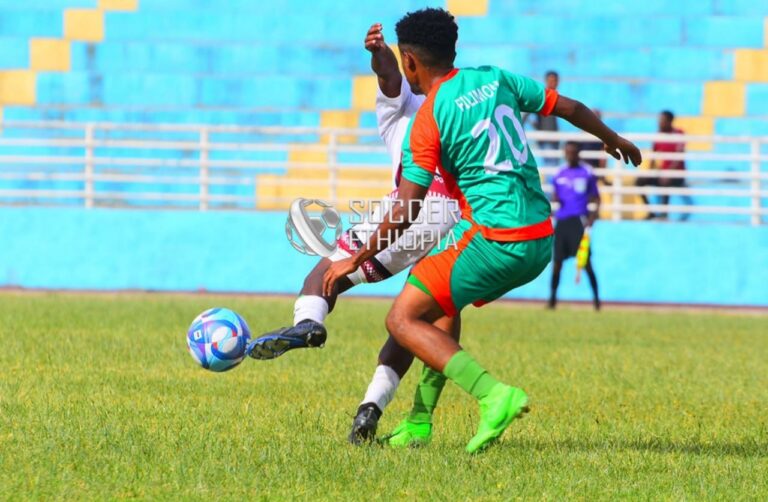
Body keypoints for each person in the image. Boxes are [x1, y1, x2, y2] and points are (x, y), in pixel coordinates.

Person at [323, 8, 641, 453]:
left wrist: (355, 259)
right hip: (539, 238)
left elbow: (406, 209)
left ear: (409, 61)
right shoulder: (495, 78)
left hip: (497, 240)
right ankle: (418, 422)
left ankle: (494, 396)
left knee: (401, 318)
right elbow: (568, 107)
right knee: (441, 304)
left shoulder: (429, 118)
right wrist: (613, 139)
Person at [246, 23, 462, 446]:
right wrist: (382, 56)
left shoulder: (403, 109)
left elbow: (389, 76)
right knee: (412, 321)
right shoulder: (460, 101)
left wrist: (379, 54)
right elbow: (390, 73)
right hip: (457, 221)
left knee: (323, 274)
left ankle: (308, 324)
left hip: (411, 210)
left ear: (411, 62)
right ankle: (371, 410)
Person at [549, 141, 601, 310]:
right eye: (568, 152)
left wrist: (592, 217)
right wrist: (554, 204)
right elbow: (555, 197)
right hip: (562, 221)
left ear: (578, 153)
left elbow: (596, 198)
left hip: (579, 221)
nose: (570, 155)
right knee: (557, 263)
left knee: (586, 262)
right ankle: (552, 300)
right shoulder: (559, 173)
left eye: (573, 152)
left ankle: (597, 301)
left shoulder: (587, 172)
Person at [638, 110, 693, 220]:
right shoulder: (659, 136)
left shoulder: (679, 134)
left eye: (662, 120)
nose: (659, 122)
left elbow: (678, 156)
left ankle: (664, 215)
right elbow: (653, 156)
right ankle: (650, 212)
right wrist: (649, 172)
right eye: (659, 120)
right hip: (663, 173)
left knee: (665, 180)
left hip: (677, 175)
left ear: (669, 121)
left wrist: (668, 172)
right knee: (639, 181)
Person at [532, 70, 560, 166]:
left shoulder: (557, 96)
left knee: (554, 164)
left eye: (555, 80)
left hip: (555, 138)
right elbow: (527, 112)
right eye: (550, 80)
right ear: (546, 81)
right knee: (550, 165)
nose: (553, 83)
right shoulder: (542, 97)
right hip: (546, 138)